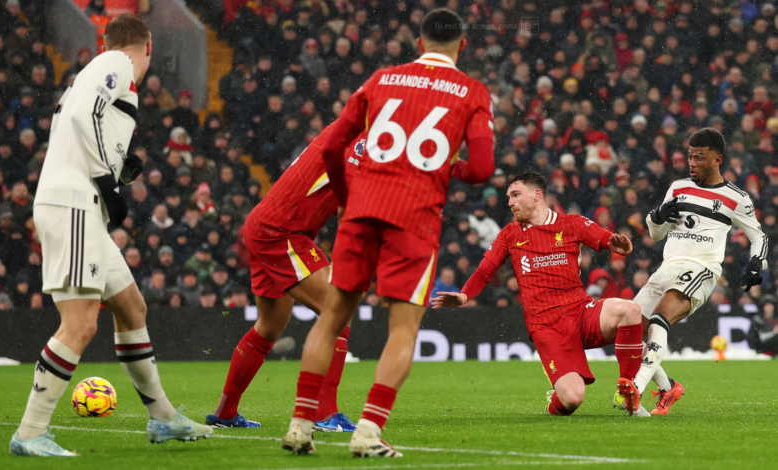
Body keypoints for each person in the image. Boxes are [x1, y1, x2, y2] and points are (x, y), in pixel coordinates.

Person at [282, 8, 495, 458]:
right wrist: (444, 166)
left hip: (362, 211)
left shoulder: (381, 79)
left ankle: (300, 426)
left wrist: (345, 198)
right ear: (463, 46)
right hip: (413, 219)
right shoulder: (472, 91)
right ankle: (368, 432)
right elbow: (481, 169)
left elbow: (336, 145)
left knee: (333, 316)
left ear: (419, 44)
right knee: (403, 329)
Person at [10, 15, 212, 458]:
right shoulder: (117, 63)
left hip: (79, 203)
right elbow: (86, 116)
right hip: (75, 202)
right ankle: (29, 432)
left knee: (131, 306)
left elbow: (78, 123)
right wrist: (105, 178)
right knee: (80, 324)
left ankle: (161, 417)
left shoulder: (96, 73)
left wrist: (115, 168)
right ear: (149, 47)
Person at [432, 171, 643, 416]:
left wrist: (623, 246)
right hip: (546, 325)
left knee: (630, 310)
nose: (510, 202)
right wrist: (464, 296)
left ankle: (627, 389)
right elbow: (483, 272)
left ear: (536, 195)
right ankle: (556, 399)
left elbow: (608, 239)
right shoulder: (510, 234)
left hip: (580, 311)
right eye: (509, 197)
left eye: (515, 195)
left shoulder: (572, 223)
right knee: (573, 399)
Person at [206, 122, 364, 431]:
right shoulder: (361, 141)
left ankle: (225, 413)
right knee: (339, 309)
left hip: (265, 226)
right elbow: (351, 206)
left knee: (269, 327)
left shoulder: (346, 131)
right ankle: (324, 413)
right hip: (281, 232)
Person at [629, 127, 768, 416]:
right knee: (629, 328)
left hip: (701, 269)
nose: (691, 162)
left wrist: (757, 263)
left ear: (718, 159)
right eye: (689, 156)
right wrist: (657, 217)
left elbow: (759, 237)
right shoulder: (678, 188)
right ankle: (668, 387)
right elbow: (656, 233)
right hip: (666, 268)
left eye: (699, 157)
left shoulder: (736, 198)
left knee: (659, 318)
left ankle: (636, 388)